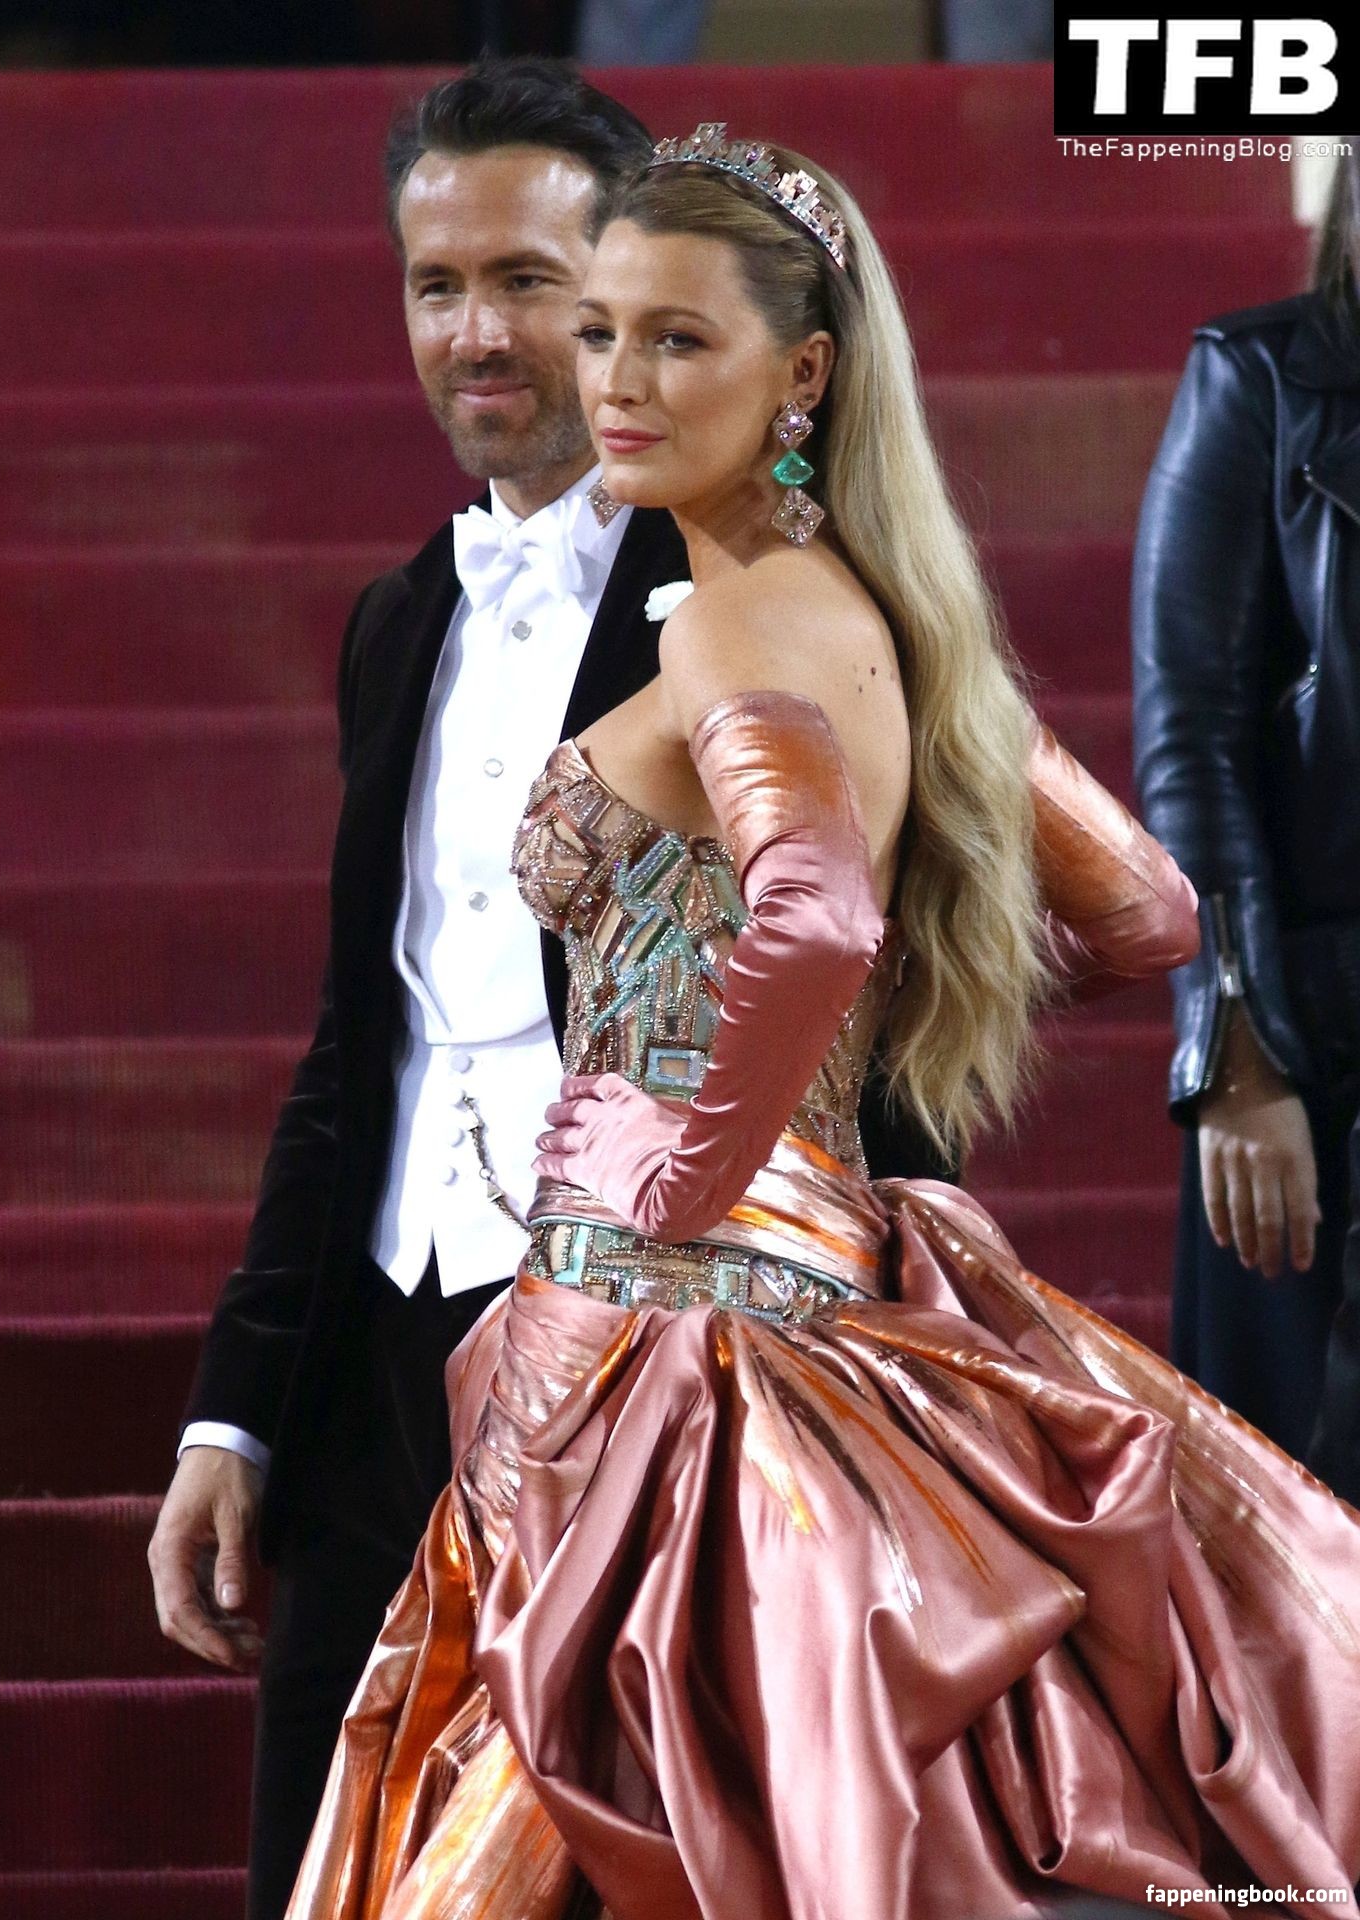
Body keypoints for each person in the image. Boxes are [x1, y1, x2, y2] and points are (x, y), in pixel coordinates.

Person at [281, 129, 1360, 1920]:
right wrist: (876, 1032)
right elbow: (1145, 914)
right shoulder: (896, 629)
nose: (614, 383)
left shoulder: (732, 631)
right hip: (785, 1288)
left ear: (801, 374)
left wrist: (688, 1177)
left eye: (675, 339)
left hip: (670, 1337)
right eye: (601, 330)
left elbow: (815, 914)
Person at [145, 64, 949, 1920]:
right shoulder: (398, 621)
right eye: (438, 285)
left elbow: (860, 970)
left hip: (665, 1368)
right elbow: (365, 1038)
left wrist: (852, 1313)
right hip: (380, 1358)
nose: (483, 335)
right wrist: (234, 1412)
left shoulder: (754, 587)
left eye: (535, 283)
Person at [1133, 151, 1360, 1503]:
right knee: (1304, 1528)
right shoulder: (1261, 380)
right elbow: (1193, 743)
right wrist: (1235, 1051)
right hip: (1319, 1042)